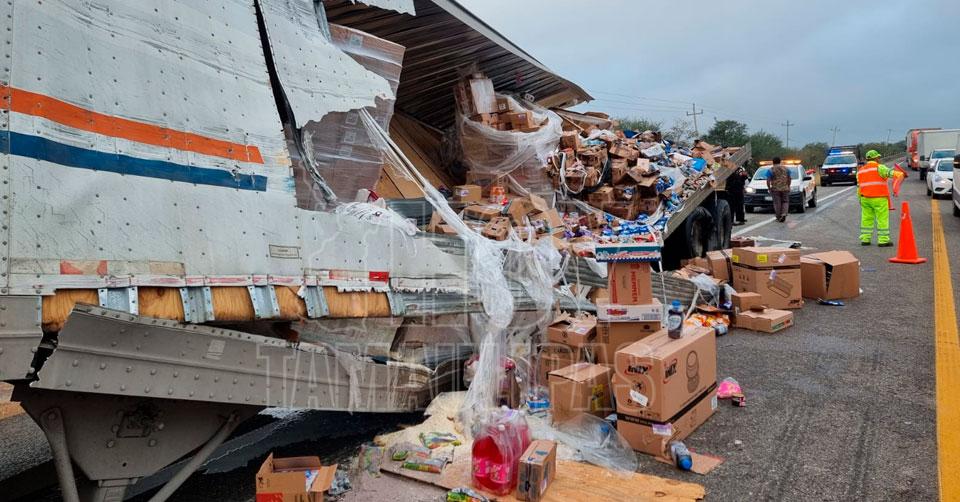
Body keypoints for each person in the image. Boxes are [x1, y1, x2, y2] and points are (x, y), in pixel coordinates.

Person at [857, 150, 895, 246]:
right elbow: (891, 173)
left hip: (865, 198)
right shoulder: (880, 167)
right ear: (876, 158)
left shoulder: (861, 171)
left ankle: (865, 239)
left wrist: (860, 200)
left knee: (866, 219)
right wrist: (900, 174)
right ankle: (883, 240)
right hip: (879, 198)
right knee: (882, 219)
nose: (879, 159)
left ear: (867, 159)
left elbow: (859, 187)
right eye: (878, 157)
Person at [766, 157, 791, 222]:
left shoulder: (770, 170)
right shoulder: (786, 169)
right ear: (780, 161)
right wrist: (788, 186)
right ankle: (784, 214)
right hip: (785, 188)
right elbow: (789, 178)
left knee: (777, 203)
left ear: (773, 162)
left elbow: (768, 180)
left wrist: (769, 188)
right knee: (785, 201)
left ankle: (778, 216)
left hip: (775, 189)